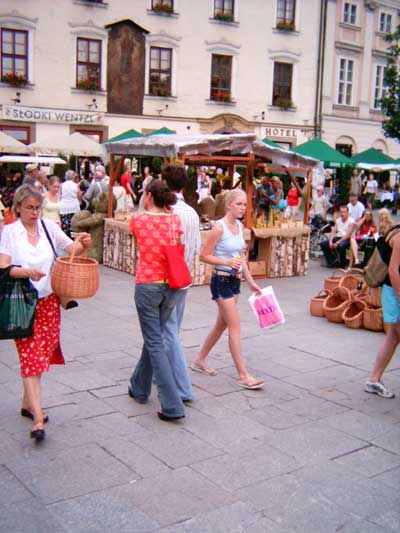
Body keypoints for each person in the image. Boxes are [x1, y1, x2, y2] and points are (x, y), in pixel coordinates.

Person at [0, 184, 92, 440]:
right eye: (29, 207)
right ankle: (38, 418)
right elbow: (3, 266)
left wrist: (83, 242)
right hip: (21, 302)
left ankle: (27, 404)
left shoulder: (49, 228)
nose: (34, 212)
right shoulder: (10, 232)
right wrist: (25, 272)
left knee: (40, 354)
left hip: (49, 301)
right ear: (18, 207)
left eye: (38, 207)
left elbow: (71, 249)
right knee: (30, 356)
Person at [191, 189, 265, 390]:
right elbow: (204, 256)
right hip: (221, 281)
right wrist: (226, 262)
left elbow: (241, 258)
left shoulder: (240, 227)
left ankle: (199, 360)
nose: (243, 208)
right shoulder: (219, 228)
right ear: (229, 205)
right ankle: (243, 375)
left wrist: (251, 282)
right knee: (235, 326)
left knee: (221, 325)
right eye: (239, 204)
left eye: (245, 204)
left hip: (235, 281)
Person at [128, 179, 186, 421]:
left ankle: (172, 405)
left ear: (149, 196)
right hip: (171, 285)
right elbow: (177, 243)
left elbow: (139, 241)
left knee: (154, 342)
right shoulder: (174, 219)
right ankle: (139, 387)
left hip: (147, 284)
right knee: (153, 338)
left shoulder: (138, 220)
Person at [162, 164, 201, 403]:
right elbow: (195, 248)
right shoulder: (192, 213)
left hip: (165, 278)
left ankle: (182, 386)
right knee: (171, 329)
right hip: (184, 276)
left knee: (168, 332)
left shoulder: (166, 212)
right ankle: (158, 373)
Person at [364, 224, 400, 398]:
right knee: (395, 334)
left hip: (392, 291)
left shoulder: (396, 231)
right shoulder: (399, 237)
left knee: (393, 337)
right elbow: (393, 271)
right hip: (394, 292)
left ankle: (374, 379)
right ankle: (373, 379)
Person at [60, 170, 82, 237]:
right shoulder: (76, 185)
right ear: (73, 177)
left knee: (65, 228)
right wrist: (80, 201)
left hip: (64, 208)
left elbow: (60, 195)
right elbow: (79, 195)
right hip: (74, 207)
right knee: (74, 227)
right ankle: (74, 238)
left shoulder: (62, 185)